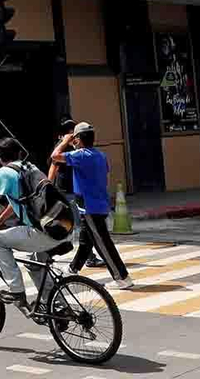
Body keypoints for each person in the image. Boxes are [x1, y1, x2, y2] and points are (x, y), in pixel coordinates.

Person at [0, 137, 60, 305]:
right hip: (60, 225)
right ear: (20, 153)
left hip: (43, 231)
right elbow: (19, 200)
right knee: (34, 262)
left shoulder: (4, 173)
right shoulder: (30, 167)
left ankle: (16, 292)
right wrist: (0, 220)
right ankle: (59, 307)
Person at [50, 123, 131, 289]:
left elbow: (55, 156)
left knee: (103, 243)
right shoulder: (100, 155)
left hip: (90, 207)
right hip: (99, 203)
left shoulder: (80, 155)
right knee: (86, 241)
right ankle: (73, 268)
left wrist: (65, 141)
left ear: (78, 139)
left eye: (75, 138)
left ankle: (122, 277)